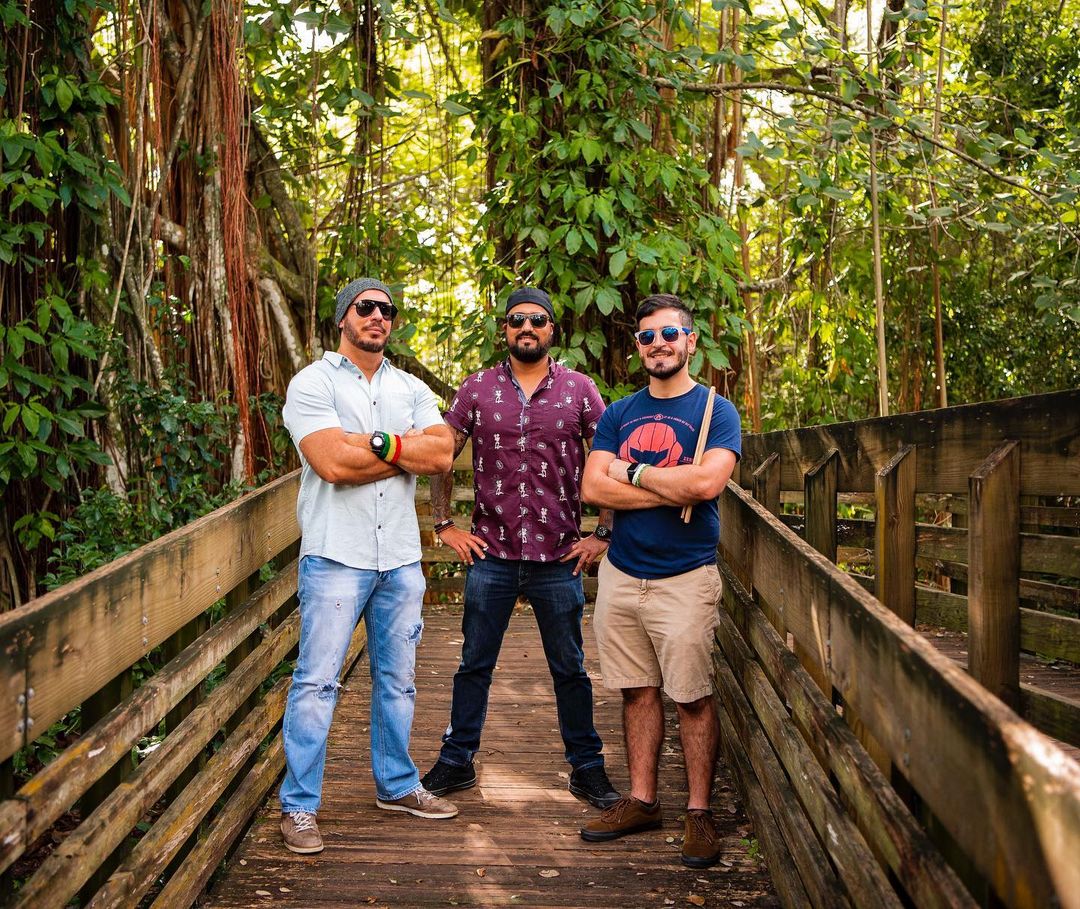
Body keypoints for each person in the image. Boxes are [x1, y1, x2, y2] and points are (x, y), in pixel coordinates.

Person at [420, 286, 620, 810]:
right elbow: (443, 453)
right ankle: (456, 760)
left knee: (570, 668)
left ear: (552, 330)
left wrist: (603, 532)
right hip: (493, 555)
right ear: (504, 330)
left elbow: (609, 457)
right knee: (473, 663)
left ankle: (587, 768)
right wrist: (445, 524)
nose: (526, 329)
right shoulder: (477, 388)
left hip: (558, 556)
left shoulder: (580, 390)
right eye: (516, 321)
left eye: (536, 320)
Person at [278, 277, 458, 855]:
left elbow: (444, 454)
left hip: (401, 557)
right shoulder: (314, 382)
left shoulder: (410, 386)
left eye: (387, 310)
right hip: (336, 555)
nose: (378, 316)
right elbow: (330, 464)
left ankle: (398, 785)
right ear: (343, 318)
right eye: (366, 307)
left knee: (399, 681)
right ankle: (300, 807)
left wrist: (374, 444)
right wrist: (405, 453)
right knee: (316, 682)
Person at [578, 293, 741, 868]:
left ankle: (699, 812)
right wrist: (669, 483)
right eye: (647, 337)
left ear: (690, 341)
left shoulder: (716, 412)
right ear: (638, 348)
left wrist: (636, 471)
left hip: (685, 578)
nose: (658, 344)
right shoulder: (619, 413)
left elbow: (705, 488)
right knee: (637, 691)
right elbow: (593, 489)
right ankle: (642, 800)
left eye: (669, 334)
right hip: (623, 574)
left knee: (692, 696)